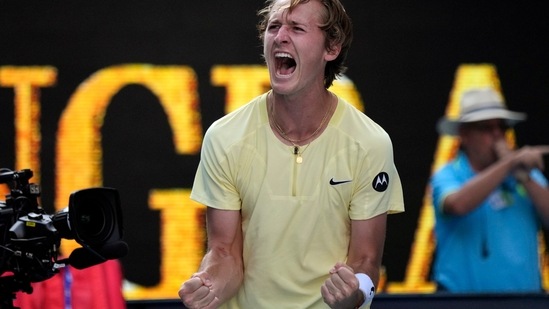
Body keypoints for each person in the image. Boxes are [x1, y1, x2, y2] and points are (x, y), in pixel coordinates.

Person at [178, 0, 404, 308]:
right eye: (274, 27)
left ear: (331, 48)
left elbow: (365, 259)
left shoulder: (370, 143)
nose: (280, 36)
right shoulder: (224, 137)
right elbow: (225, 252)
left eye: (297, 28)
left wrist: (354, 293)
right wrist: (209, 285)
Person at [431, 87, 549, 293]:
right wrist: (509, 163)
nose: (497, 136)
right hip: (460, 303)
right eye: (487, 128)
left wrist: (525, 179)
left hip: (525, 302)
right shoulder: (448, 174)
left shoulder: (526, 175)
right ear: (464, 135)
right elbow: (457, 204)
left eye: (502, 128)